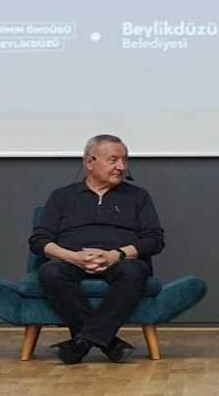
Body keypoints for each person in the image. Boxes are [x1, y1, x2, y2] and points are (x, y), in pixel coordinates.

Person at [29, 134, 164, 364]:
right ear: (89, 162)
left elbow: (154, 240)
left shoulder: (138, 196)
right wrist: (71, 257)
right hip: (71, 260)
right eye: (113, 160)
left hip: (120, 261)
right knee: (50, 272)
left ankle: (81, 343)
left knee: (134, 271)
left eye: (125, 160)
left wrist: (115, 255)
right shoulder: (62, 196)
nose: (121, 167)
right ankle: (110, 343)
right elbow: (39, 240)